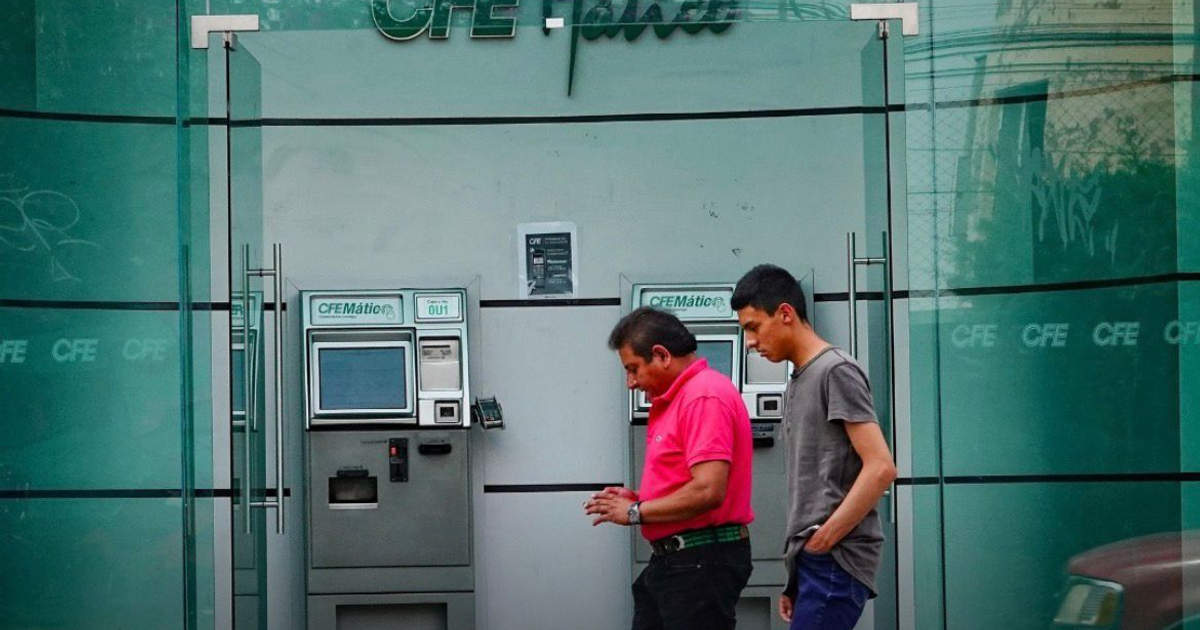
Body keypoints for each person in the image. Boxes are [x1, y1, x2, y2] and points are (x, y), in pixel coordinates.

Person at [732, 264, 897, 630]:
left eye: (753, 327)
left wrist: (824, 540)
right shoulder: (801, 378)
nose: (750, 342)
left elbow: (881, 467)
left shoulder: (835, 371)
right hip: (814, 562)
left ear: (785, 313)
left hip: (834, 560)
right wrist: (798, 570)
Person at [584, 306, 755, 630]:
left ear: (661, 355)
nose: (631, 383)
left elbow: (708, 490)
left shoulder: (702, 395)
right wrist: (638, 498)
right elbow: (689, 483)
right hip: (680, 561)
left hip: (699, 561)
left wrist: (635, 510)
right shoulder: (681, 397)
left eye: (633, 369)